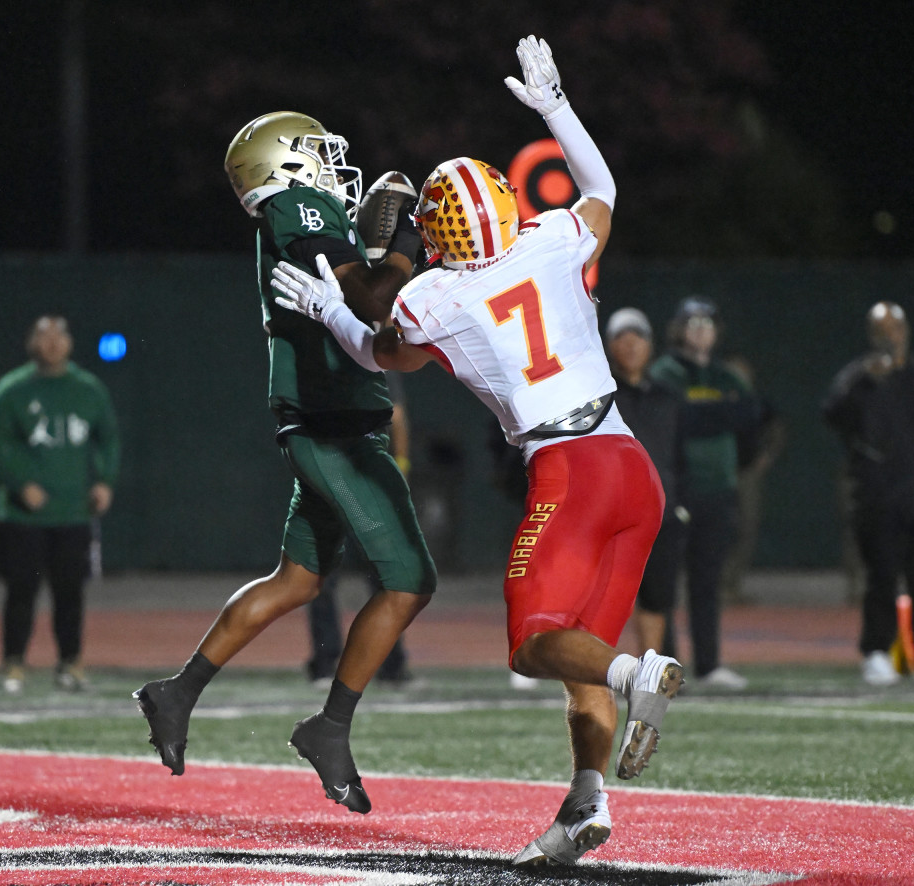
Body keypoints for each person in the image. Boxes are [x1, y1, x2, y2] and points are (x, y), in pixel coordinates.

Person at [272, 35, 683, 868]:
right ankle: (584, 806)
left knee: (535, 643)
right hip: (632, 466)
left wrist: (328, 308)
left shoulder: (439, 294)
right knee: (581, 663)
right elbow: (602, 189)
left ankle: (641, 675)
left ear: (442, 234)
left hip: (568, 469)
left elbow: (375, 353)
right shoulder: (552, 238)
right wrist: (556, 108)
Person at [133, 107, 436, 817]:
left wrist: (374, 245)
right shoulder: (296, 204)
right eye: (317, 153)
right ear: (286, 162)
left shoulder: (306, 213)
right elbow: (370, 295)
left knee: (298, 579)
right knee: (410, 580)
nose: (333, 164)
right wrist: (403, 251)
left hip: (330, 415)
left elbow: (356, 290)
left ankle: (176, 692)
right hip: (330, 422)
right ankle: (329, 728)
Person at [822, 302, 914, 688]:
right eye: (882, 329)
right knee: (882, 578)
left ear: (906, 330)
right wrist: (864, 379)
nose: (891, 335)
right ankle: (877, 653)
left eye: (896, 327)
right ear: (871, 334)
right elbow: (832, 413)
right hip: (880, 497)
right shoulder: (860, 376)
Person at [0, 315, 120, 694]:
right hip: (25, 515)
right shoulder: (13, 390)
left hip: (73, 511)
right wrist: (21, 483)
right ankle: (14, 663)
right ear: (31, 343)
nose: (52, 343)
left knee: (70, 592)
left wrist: (104, 481)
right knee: (22, 589)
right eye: (44, 336)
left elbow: (108, 439)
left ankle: (70, 663)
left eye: (59, 336)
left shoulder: (88, 389)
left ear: (70, 343)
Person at [649, 297, 760, 689]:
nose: (700, 331)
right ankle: (663, 666)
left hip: (718, 489)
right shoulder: (664, 372)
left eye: (707, 324)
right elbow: (680, 420)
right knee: (663, 580)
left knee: (707, 581)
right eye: (692, 324)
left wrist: (708, 415)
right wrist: (717, 414)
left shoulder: (724, 375)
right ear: (677, 330)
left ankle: (709, 664)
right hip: (677, 490)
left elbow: (748, 415)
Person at [306, 372, 415, 688]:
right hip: (364, 483)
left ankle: (329, 666)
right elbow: (398, 417)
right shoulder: (372, 357)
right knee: (383, 577)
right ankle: (388, 666)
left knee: (327, 575)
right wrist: (401, 468)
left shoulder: (321, 360)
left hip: (337, 479)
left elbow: (397, 416)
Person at [603, 307, 687, 659]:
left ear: (650, 345)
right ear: (609, 345)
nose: (631, 345)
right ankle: (594, 675)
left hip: (660, 512)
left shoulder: (668, 396)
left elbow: (680, 452)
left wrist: (682, 503)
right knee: (602, 598)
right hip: (610, 513)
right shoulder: (600, 394)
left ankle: (649, 674)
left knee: (657, 597)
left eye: (638, 337)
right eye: (622, 337)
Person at [719, 353, 786, 604]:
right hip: (718, 476)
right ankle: (717, 587)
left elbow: (778, 428)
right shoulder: (717, 401)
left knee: (746, 527)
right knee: (719, 530)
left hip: (746, 474)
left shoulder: (756, 403)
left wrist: (767, 455)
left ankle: (733, 586)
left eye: (742, 375)